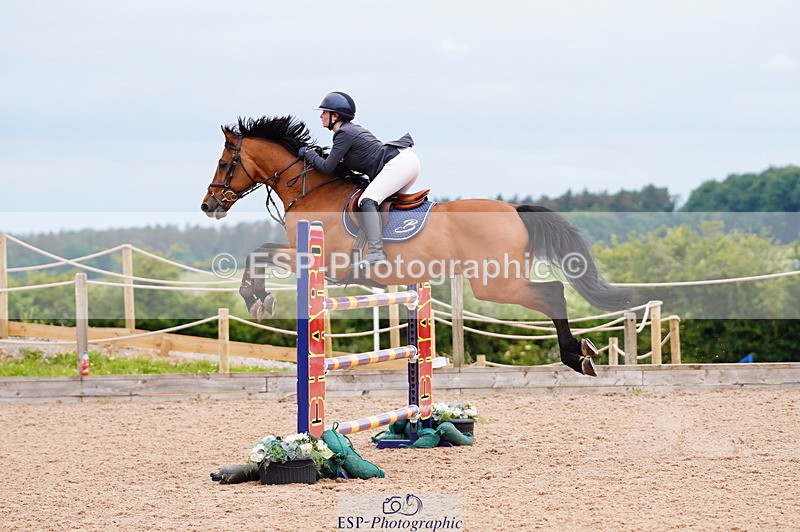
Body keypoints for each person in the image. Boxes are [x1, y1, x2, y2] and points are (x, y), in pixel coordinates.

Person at [298, 91, 420, 266]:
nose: (321, 116)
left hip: (399, 163)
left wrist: (307, 152)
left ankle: (377, 252)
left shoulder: (344, 134)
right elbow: (340, 167)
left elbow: (327, 167)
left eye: (324, 112)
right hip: (406, 161)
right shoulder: (350, 130)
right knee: (383, 205)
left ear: (335, 115)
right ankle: (397, 248)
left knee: (367, 200)